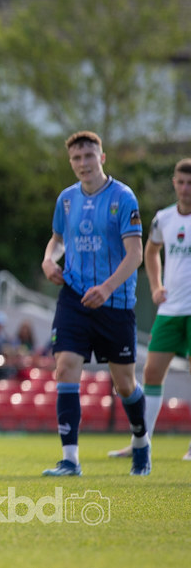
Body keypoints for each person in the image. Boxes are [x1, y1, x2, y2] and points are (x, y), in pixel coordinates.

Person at [40, 131, 146, 476]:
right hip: (74, 296)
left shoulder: (123, 197)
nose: (83, 163)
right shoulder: (66, 200)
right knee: (66, 366)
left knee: (124, 384)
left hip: (114, 300)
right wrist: (48, 260)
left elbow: (135, 254)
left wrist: (107, 286)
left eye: (89, 156)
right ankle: (70, 459)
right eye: (76, 158)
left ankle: (141, 442)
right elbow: (57, 240)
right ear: (71, 162)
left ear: (102, 158)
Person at [109, 158, 191, 464]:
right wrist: (156, 285)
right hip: (170, 311)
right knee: (152, 372)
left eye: (190, 183)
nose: (185, 188)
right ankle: (140, 441)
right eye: (181, 182)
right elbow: (151, 250)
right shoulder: (163, 219)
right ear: (174, 183)